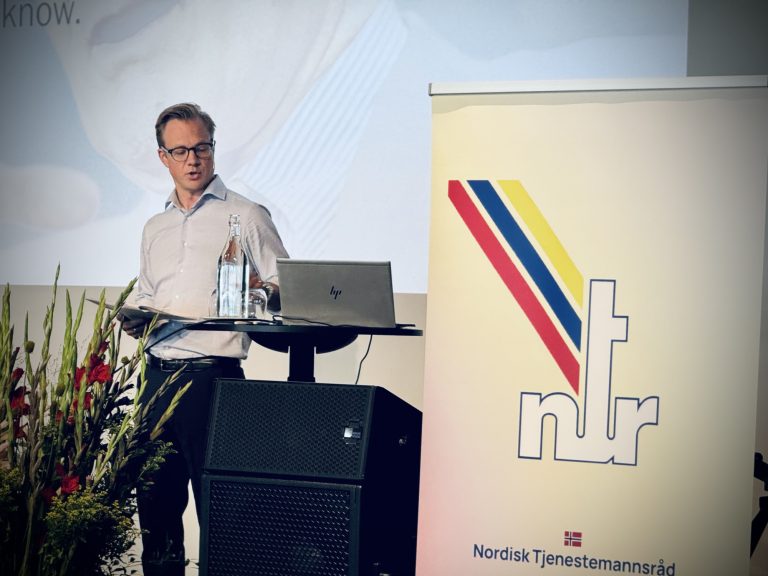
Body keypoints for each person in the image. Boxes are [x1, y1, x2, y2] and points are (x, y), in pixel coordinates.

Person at [121, 102, 289, 576]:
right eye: (180, 151)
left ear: (213, 149)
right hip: (156, 378)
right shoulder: (154, 227)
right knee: (155, 508)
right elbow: (147, 291)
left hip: (213, 380)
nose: (192, 159)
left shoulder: (246, 215)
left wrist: (261, 290)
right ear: (163, 157)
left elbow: (289, 287)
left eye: (201, 148)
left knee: (223, 512)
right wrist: (135, 315)